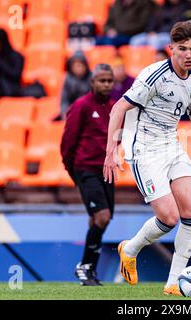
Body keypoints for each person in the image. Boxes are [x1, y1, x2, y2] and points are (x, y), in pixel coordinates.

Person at [103, 21, 191, 295]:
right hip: (144, 151)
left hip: (171, 145)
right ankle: (130, 248)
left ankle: (173, 283)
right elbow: (118, 108)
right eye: (182, 49)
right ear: (171, 49)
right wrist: (111, 150)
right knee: (169, 218)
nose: (189, 55)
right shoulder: (154, 75)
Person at [61, 64, 115, 286]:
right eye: (101, 80)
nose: (106, 84)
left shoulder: (114, 107)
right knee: (102, 217)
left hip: (106, 170)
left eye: (109, 81)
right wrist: (74, 173)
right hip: (86, 169)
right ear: (92, 82)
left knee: (101, 219)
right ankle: (85, 267)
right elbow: (67, 142)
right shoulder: (81, 106)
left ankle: (88, 271)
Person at [59, 50, 92, 120]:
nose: (78, 68)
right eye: (76, 65)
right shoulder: (68, 79)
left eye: (80, 65)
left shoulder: (92, 78)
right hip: (72, 112)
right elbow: (64, 100)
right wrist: (65, 113)